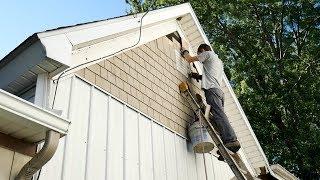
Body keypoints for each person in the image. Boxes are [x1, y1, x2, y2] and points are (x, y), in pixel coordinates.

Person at [181, 44, 241, 153]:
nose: (200, 56)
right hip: (218, 91)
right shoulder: (218, 61)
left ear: (203, 50)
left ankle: (231, 140)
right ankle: (227, 144)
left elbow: (189, 59)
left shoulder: (207, 54)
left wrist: (184, 51)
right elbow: (211, 74)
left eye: (199, 54)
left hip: (212, 91)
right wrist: (198, 76)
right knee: (217, 118)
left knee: (219, 115)